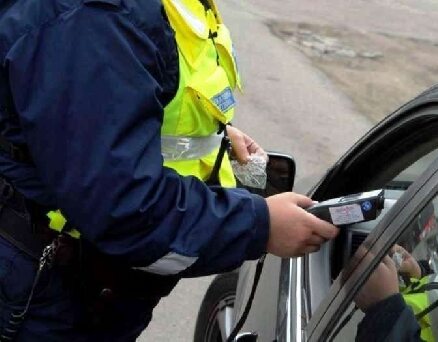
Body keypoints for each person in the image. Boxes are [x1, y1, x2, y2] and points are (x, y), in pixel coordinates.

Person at [0, 0, 338, 340]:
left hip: (92, 285)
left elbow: (120, 101)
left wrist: (210, 136)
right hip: (46, 289)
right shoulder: (94, 19)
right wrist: (259, 225)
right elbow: (121, 205)